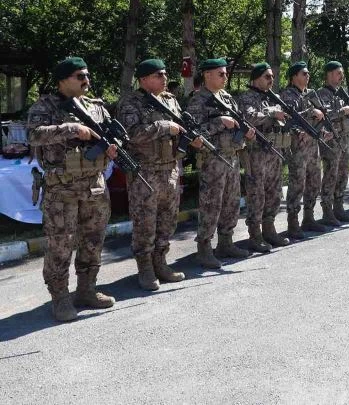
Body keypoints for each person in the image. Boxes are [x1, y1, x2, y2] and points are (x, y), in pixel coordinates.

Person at [27, 57, 117, 321]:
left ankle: (86, 290)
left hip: (95, 187)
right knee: (60, 244)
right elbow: (33, 135)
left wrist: (113, 146)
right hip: (62, 189)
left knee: (93, 241)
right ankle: (60, 298)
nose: (86, 81)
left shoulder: (95, 106)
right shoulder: (45, 106)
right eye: (80, 76)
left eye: (87, 75)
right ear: (63, 80)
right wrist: (71, 128)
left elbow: (110, 133)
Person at [118, 59, 196, 290]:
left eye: (164, 74)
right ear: (143, 80)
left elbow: (181, 127)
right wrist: (164, 127)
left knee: (167, 221)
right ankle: (145, 269)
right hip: (145, 173)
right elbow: (130, 134)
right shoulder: (131, 102)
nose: (164, 78)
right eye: (158, 75)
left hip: (169, 169)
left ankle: (161, 263)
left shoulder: (170, 100)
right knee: (145, 223)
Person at [186, 58, 255, 268]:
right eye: (221, 74)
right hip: (212, 159)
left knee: (231, 202)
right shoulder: (197, 101)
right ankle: (204, 248)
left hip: (232, 157)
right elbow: (193, 133)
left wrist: (246, 132)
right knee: (211, 204)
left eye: (225, 73)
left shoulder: (226, 97)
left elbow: (239, 120)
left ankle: (226, 242)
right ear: (207, 75)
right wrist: (219, 122)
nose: (225, 77)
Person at [237, 62, 292, 248]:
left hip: (274, 152)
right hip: (256, 154)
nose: (271, 80)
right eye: (267, 77)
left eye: (272, 77)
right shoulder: (246, 97)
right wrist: (271, 113)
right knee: (256, 194)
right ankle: (255, 235)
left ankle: (270, 230)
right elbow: (249, 117)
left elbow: (283, 118)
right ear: (256, 78)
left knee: (274, 193)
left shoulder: (273, 97)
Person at [280, 61, 328, 237]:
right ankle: (293, 223)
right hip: (297, 148)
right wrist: (307, 122)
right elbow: (287, 121)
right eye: (304, 73)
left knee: (314, 182)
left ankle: (309, 217)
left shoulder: (311, 94)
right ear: (294, 77)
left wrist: (321, 130)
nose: (308, 76)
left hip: (313, 147)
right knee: (297, 184)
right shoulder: (287, 95)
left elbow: (321, 116)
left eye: (308, 73)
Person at [315, 61, 349, 224]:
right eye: (338, 73)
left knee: (343, 175)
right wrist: (341, 111)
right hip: (331, 142)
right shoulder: (321, 94)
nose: (341, 76)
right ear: (330, 74)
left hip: (344, 140)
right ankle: (327, 212)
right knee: (331, 176)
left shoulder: (341, 93)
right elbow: (324, 115)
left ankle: (338, 208)